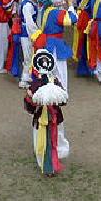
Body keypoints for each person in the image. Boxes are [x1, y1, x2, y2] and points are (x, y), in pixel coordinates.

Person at [24, 49, 69, 177]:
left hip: (42, 117)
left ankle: (46, 164)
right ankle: (52, 162)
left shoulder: (36, 84)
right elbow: (63, 101)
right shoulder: (56, 82)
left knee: (42, 139)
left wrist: (30, 98)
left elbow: (29, 105)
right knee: (54, 139)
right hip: (55, 116)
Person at [32, 0, 77, 91]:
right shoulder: (56, 13)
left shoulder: (45, 9)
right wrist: (70, 4)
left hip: (46, 42)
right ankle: (62, 92)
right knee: (60, 70)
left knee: (49, 69)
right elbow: (72, 19)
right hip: (55, 43)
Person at [11, 0, 39, 88]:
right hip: (26, 33)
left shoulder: (26, 1)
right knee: (28, 56)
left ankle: (27, 77)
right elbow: (29, 23)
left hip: (25, 32)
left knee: (29, 56)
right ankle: (25, 78)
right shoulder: (28, 4)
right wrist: (36, 34)